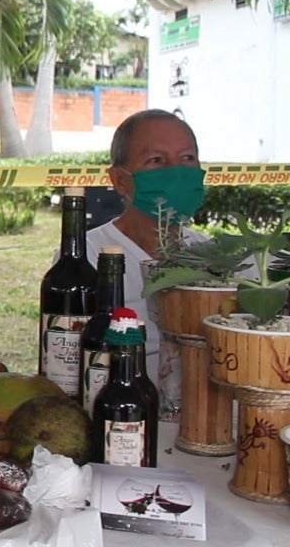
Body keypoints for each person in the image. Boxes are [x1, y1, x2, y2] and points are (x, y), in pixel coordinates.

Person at [85, 108, 207, 413]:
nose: (176, 172)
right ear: (120, 180)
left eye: (187, 159)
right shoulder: (89, 256)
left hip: (204, 417)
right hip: (124, 417)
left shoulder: (212, 255)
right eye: (156, 161)